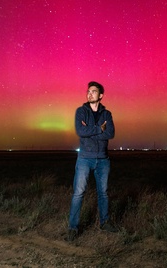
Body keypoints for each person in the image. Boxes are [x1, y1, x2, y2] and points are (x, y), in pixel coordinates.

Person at [66, 81, 117, 241]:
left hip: (103, 159)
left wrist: (90, 131)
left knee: (103, 193)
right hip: (84, 159)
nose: (89, 94)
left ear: (100, 95)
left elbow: (110, 134)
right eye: (88, 91)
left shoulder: (106, 114)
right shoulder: (81, 111)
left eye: (93, 92)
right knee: (78, 193)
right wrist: (98, 129)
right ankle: (73, 228)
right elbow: (80, 131)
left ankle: (105, 222)